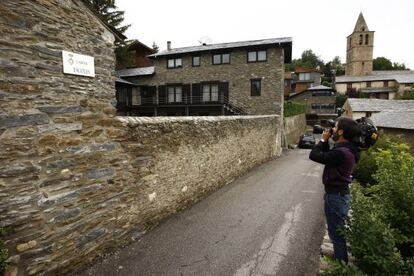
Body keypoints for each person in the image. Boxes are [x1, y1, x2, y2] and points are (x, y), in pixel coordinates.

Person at [309, 117, 361, 263]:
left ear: (341, 131)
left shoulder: (341, 152)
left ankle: (341, 264)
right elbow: (326, 158)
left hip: (336, 197)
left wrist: (323, 140)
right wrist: (328, 140)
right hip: (339, 195)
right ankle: (340, 257)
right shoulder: (348, 149)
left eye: (335, 126)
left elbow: (314, 155)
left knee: (336, 233)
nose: (332, 128)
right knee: (337, 231)